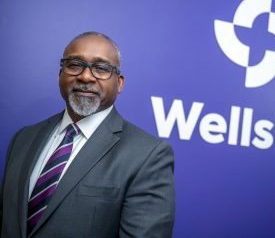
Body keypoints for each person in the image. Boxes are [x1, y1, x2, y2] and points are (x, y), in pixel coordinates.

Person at [0, 31, 175, 238]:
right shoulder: (23, 139)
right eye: (74, 64)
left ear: (119, 83)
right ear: (60, 74)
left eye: (101, 68)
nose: (85, 76)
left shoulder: (148, 155)